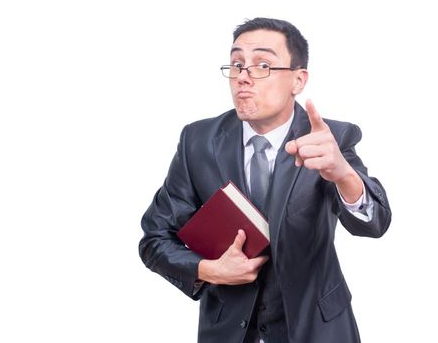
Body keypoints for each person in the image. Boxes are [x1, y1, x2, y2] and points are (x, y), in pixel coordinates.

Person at [138, 17, 391, 343]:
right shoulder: (197, 141)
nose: (243, 77)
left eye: (262, 65)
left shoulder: (329, 138)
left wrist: (343, 173)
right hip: (228, 331)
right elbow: (154, 240)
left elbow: (376, 222)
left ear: (298, 80)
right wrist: (209, 270)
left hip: (318, 328)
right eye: (237, 64)